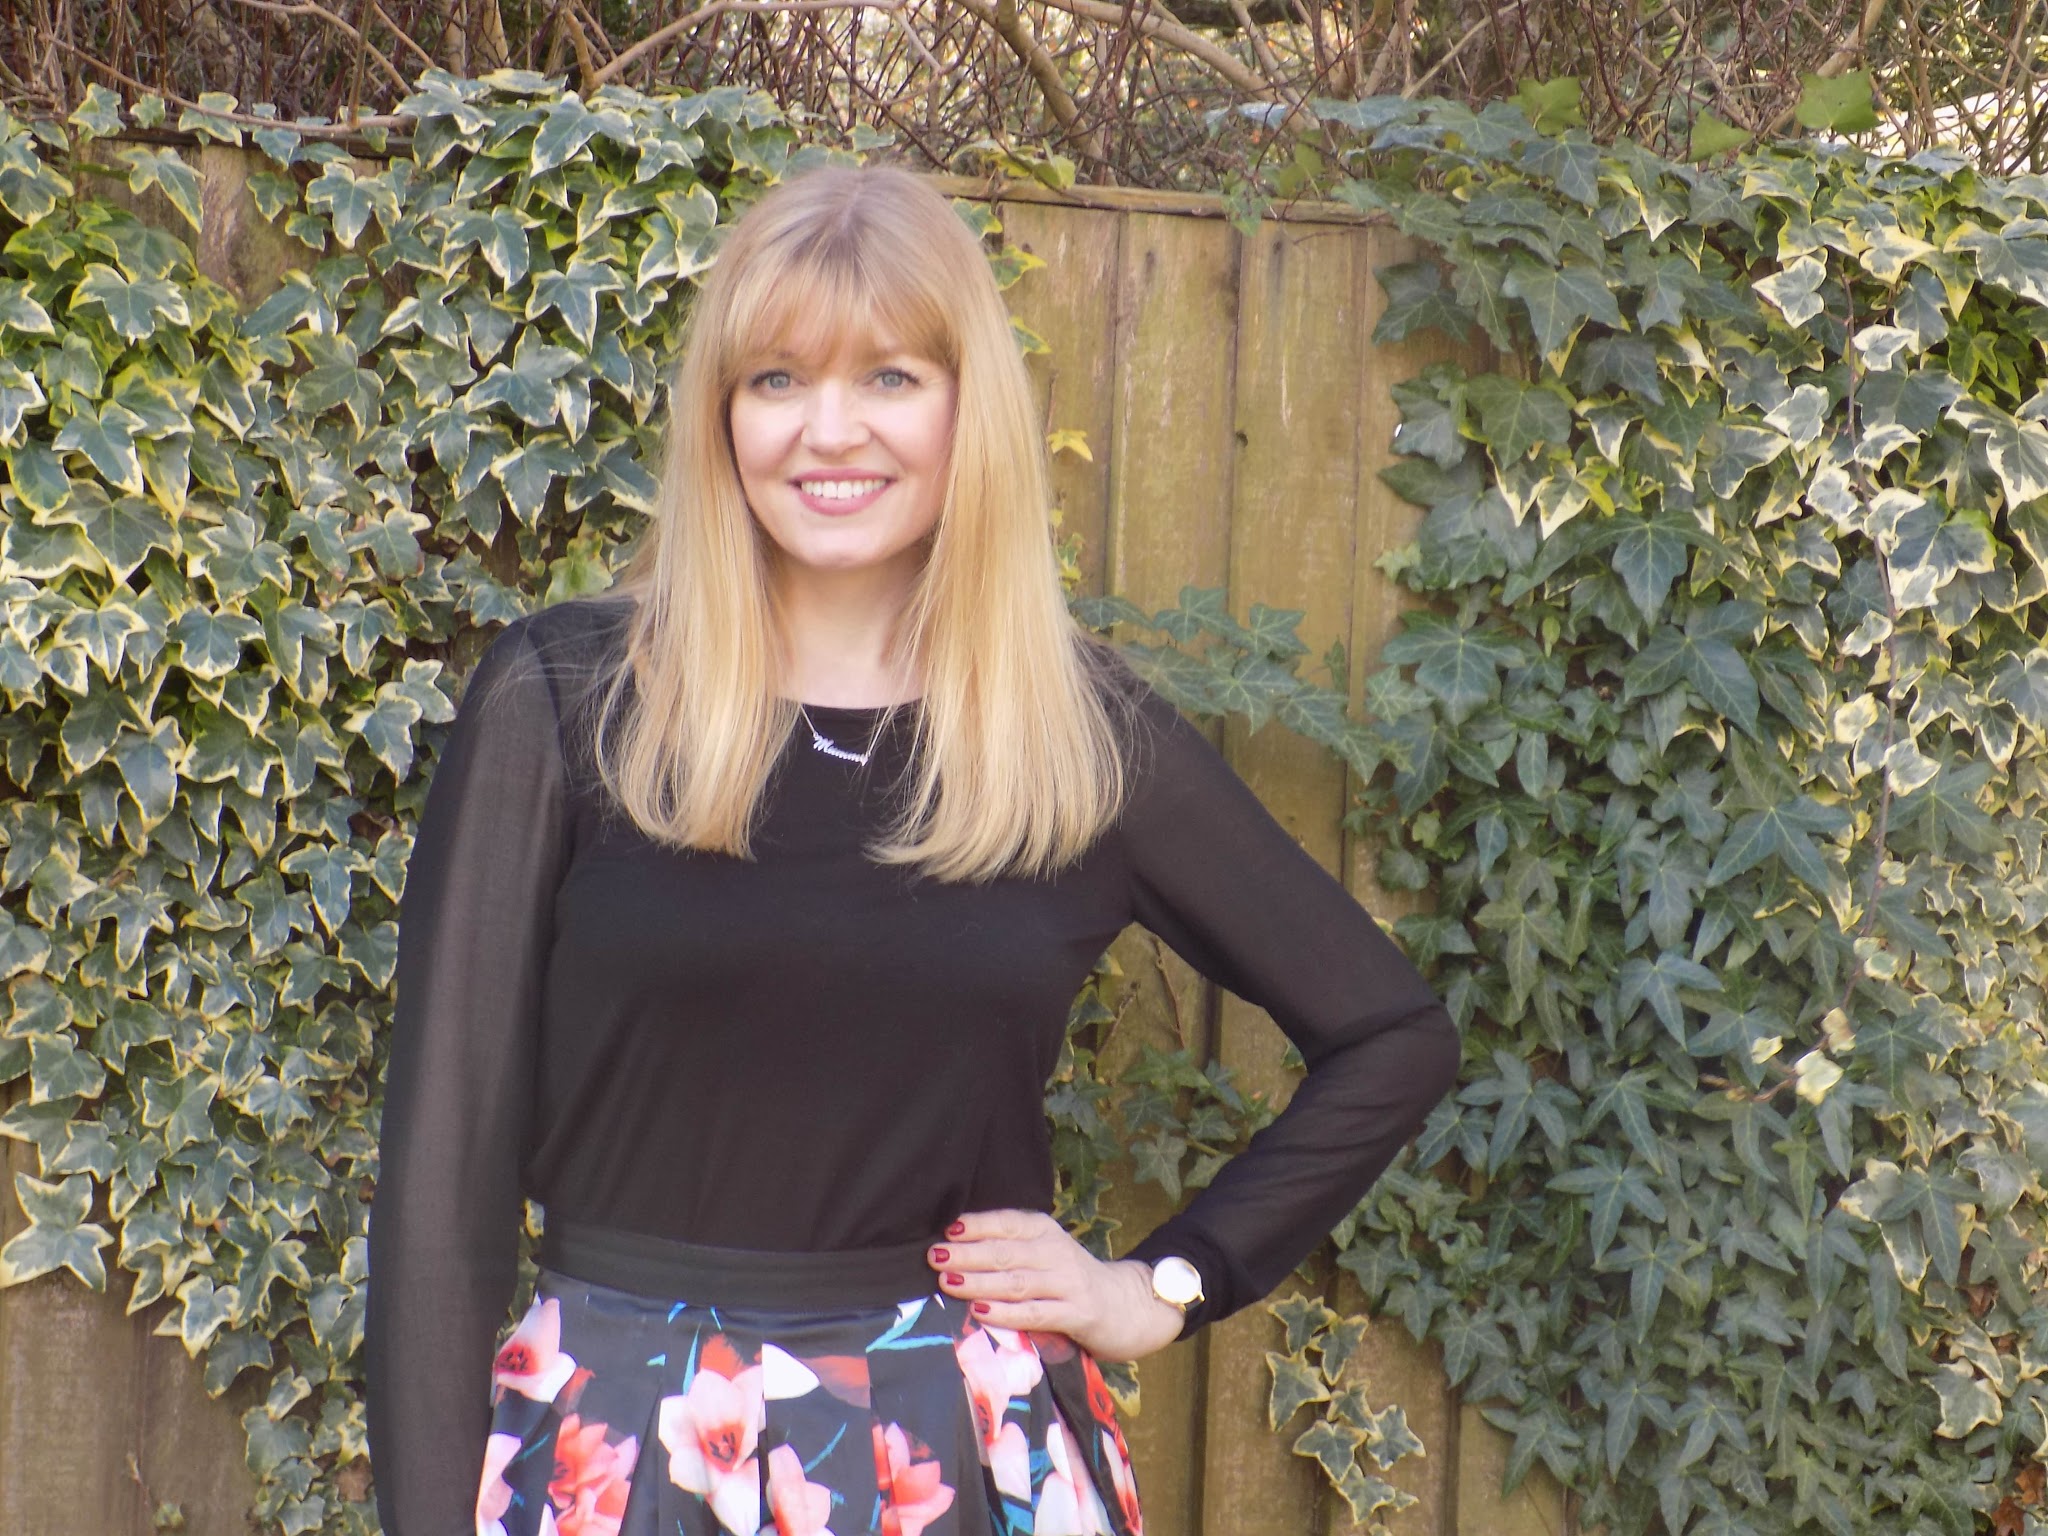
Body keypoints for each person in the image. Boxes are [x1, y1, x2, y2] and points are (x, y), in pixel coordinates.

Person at [363, 163, 1460, 1536]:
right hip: (625, 1450)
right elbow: (438, 1200)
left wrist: (1162, 1287)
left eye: (888, 378)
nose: (829, 432)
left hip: (961, 1448)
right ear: (722, 414)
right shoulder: (569, 699)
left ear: (965, 411)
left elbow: (1392, 1035)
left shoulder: (1074, 733)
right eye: (776, 380)